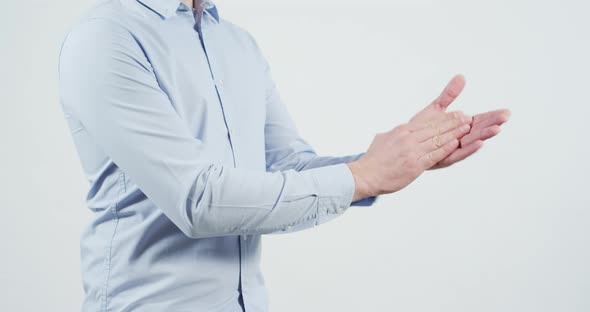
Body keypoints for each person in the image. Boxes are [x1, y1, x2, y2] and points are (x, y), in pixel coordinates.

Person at [57, 0, 510, 311]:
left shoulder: (236, 43)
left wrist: (405, 155)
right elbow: (199, 200)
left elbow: (287, 166)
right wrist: (366, 175)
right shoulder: (104, 39)